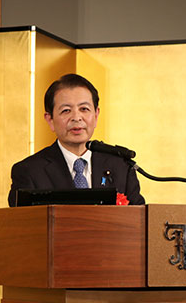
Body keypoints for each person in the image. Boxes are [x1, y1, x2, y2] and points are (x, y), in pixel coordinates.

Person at [8, 73, 145, 207]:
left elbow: (139, 217)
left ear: (96, 115)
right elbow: (22, 220)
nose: (76, 117)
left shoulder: (121, 166)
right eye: (66, 111)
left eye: (84, 109)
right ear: (50, 120)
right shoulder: (29, 171)